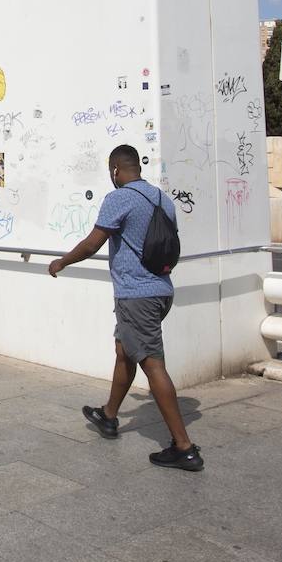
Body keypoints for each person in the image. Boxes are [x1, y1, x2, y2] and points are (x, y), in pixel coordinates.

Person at [48, 143, 201, 472]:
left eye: (111, 172)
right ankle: (109, 416)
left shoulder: (119, 198)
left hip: (137, 295)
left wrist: (62, 261)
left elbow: (93, 243)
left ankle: (184, 447)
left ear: (116, 170)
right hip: (161, 290)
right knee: (124, 350)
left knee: (152, 364)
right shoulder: (162, 199)